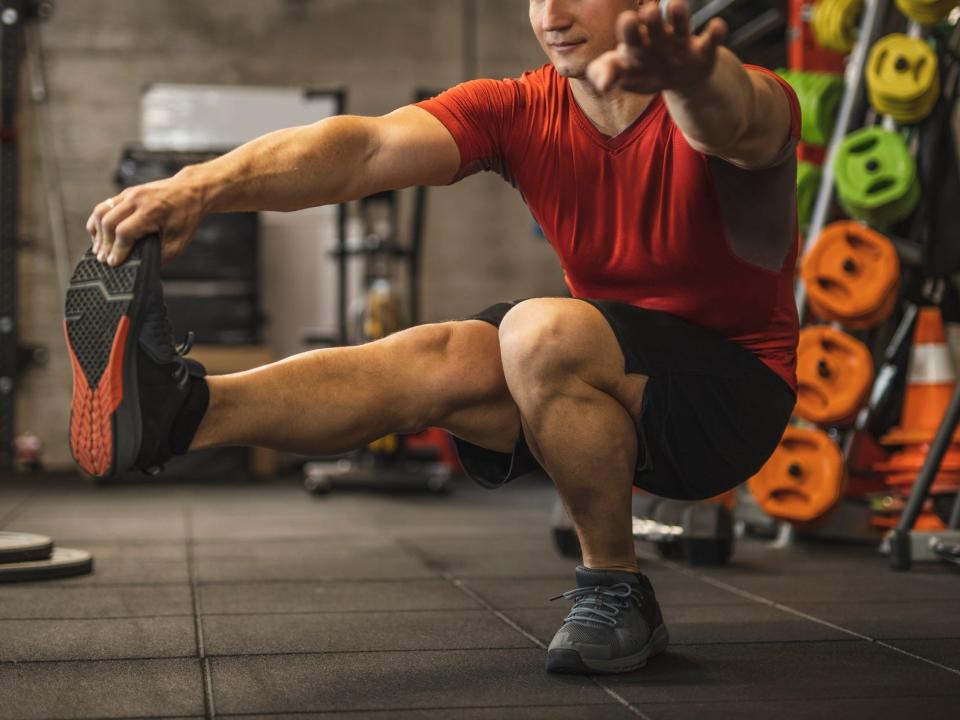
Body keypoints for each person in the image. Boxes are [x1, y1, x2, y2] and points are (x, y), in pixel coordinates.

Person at [68, 0, 799, 675]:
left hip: (730, 402)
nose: (552, 12)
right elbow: (361, 148)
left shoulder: (742, 93)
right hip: (611, 384)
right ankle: (182, 416)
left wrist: (695, 78)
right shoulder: (520, 107)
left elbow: (734, 119)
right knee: (442, 355)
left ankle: (613, 587)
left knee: (539, 330)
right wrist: (201, 184)